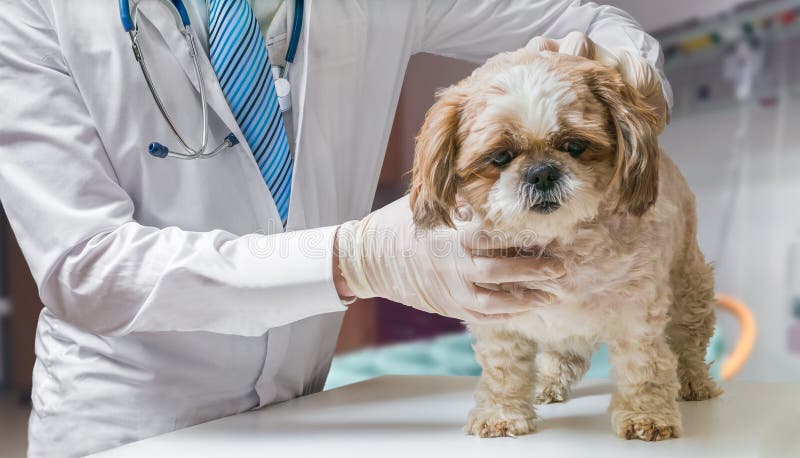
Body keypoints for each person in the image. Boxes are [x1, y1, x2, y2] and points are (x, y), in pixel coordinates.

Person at [0, 1, 670, 456]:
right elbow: (86, 266)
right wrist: (356, 259)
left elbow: (588, 17)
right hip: (127, 424)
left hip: (302, 413)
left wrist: (621, 99)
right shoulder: (32, 12)